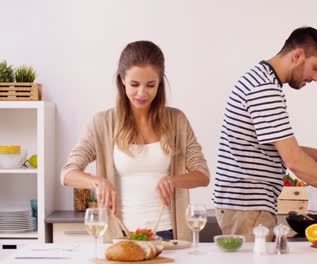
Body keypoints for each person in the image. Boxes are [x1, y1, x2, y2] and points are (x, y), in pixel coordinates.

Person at [213, 27, 317, 242]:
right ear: (298, 55)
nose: (316, 77)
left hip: (243, 207)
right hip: (248, 207)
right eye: (315, 67)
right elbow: (294, 161)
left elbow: (284, 150)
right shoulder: (265, 90)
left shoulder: (261, 81)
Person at [61, 40, 210, 242]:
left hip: (169, 234)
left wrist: (173, 180)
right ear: (122, 80)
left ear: (160, 83)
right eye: (134, 84)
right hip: (120, 234)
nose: (142, 93)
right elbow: (67, 173)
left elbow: (202, 175)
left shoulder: (177, 121)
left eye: (150, 85)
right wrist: (98, 182)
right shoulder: (102, 123)